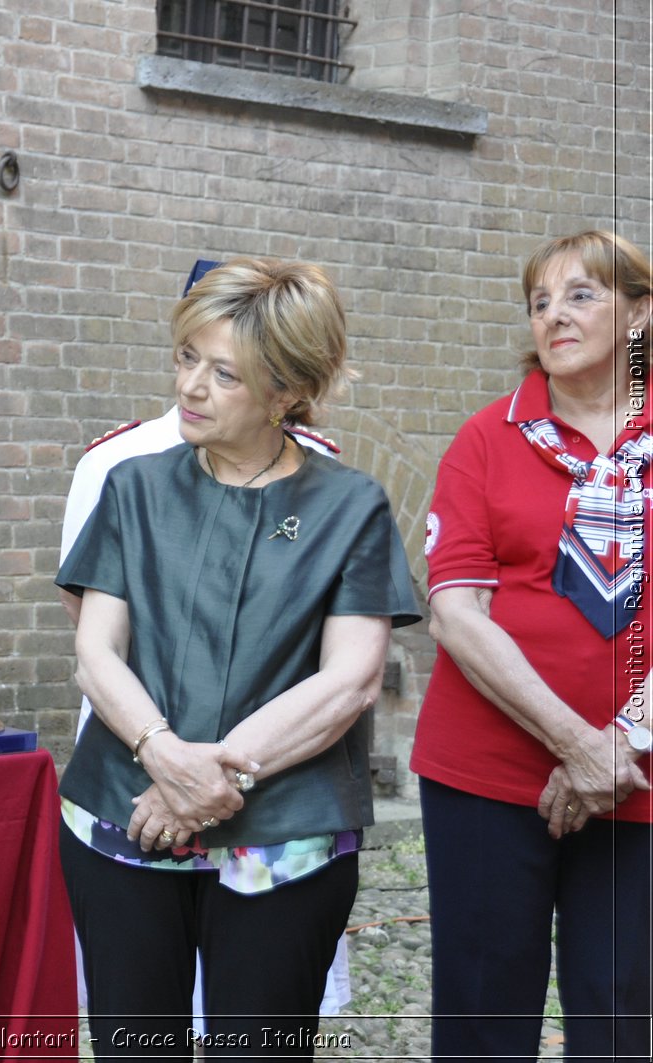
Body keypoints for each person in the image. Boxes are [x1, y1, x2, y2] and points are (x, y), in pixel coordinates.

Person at [56, 258, 419, 1059]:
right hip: (125, 815)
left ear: (288, 390)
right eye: (188, 358)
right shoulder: (133, 486)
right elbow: (95, 648)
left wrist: (210, 779)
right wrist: (162, 752)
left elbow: (351, 678)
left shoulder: (348, 504)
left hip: (284, 837)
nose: (191, 386)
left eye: (225, 373)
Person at [413, 229, 653, 1061]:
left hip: (642, 779)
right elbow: (457, 613)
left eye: (582, 294)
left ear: (640, 315)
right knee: (483, 1015)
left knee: (623, 1014)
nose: (555, 314)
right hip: (484, 775)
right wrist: (577, 743)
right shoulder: (486, 438)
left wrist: (622, 742)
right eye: (540, 300)